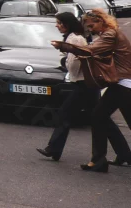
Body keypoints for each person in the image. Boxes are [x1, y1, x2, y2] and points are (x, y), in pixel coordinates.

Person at [54, 8, 131, 172]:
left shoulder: (110, 34)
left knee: (98, 116)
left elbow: (89, 50)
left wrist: (63, 46)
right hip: (122, 84)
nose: (90, 29)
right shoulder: (110, 34)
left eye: (91, 26)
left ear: (100, 21)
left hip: (123, 84)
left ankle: (99, 160)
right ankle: (116, 156)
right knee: (99, 116)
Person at [38, 12, 100, 161]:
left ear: (68, 24)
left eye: (60, 23)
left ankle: (53, 149)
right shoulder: (73, 37)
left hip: (83, 84)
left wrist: (65, 61)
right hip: (87, 84)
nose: (57, 25)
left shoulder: (75, 38)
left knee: (64, 114)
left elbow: (73, 65)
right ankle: (123, 153)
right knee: (100, 119)